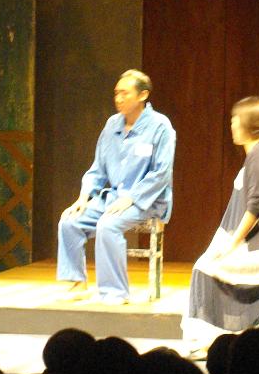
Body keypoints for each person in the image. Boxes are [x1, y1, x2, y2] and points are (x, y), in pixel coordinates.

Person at [181, 96, 259, 355]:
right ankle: (234, 337)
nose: (231, 125)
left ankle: (210, 341)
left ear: (248, 125)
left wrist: (233, 243)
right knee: (209, 263)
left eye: (235, 120)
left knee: (205, 268)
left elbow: (256, 208)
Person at [57, 69, 175, 304]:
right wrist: (83, 197)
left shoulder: (160, 126)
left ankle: (115, 291)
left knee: (108, 225)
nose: (118, 98)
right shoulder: (112, 124)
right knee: (69, 221)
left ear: (142, 95)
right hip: (113, 198)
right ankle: (77, 283)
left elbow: (161, 173)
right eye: (116, 93)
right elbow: (98, 168)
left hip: (147, 200)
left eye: (125, 93)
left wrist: (132, 198)